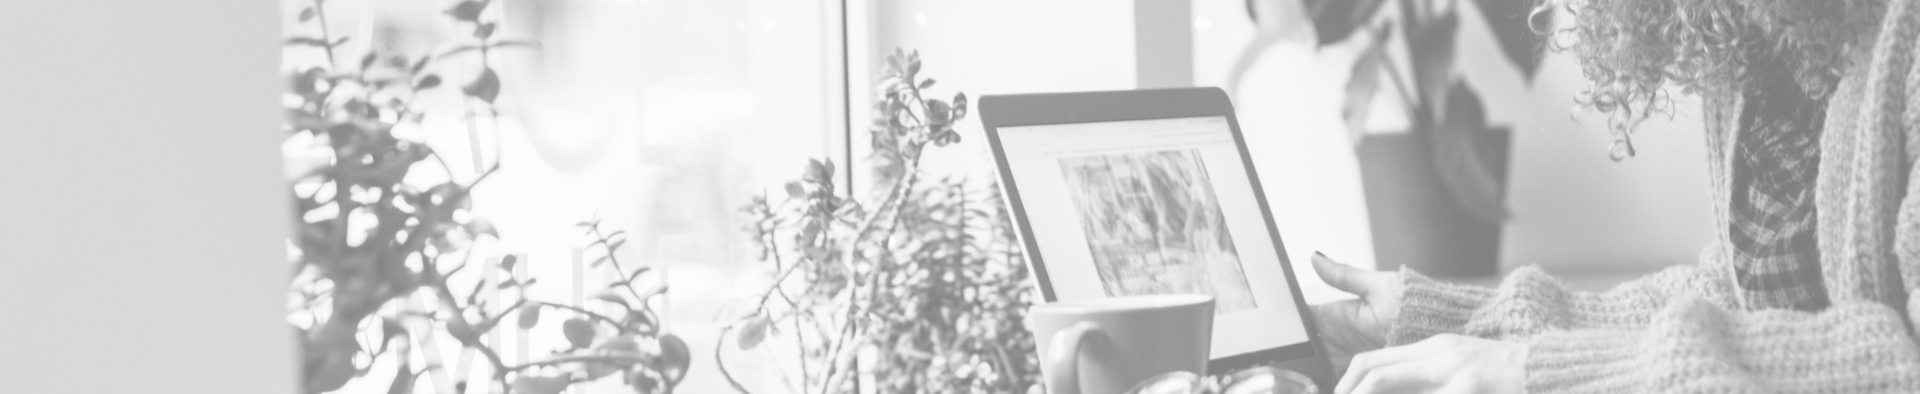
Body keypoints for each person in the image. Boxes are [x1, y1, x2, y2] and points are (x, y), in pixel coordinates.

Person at [1309, 0, 1920, 392]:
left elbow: (1904, 359)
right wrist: (1440, 324)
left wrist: (1537, 375)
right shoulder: (1745, 38)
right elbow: (1741, 304)